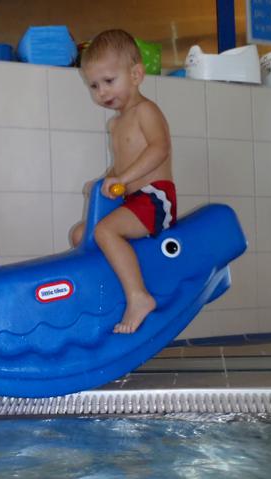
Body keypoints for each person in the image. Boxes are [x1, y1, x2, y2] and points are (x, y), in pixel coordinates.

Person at [70, 29, 176, 334]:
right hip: (133, 201)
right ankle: (107, 293)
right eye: (94, 85)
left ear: (136, 74)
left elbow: (160, 148)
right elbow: (120, 165)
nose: (102, 92)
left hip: (156, 198)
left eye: (108, 81)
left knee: (105, 230)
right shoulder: (115, 123)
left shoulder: (146, 110)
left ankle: (139, 297)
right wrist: (103, 181)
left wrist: (123, 178)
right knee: (81, 234)